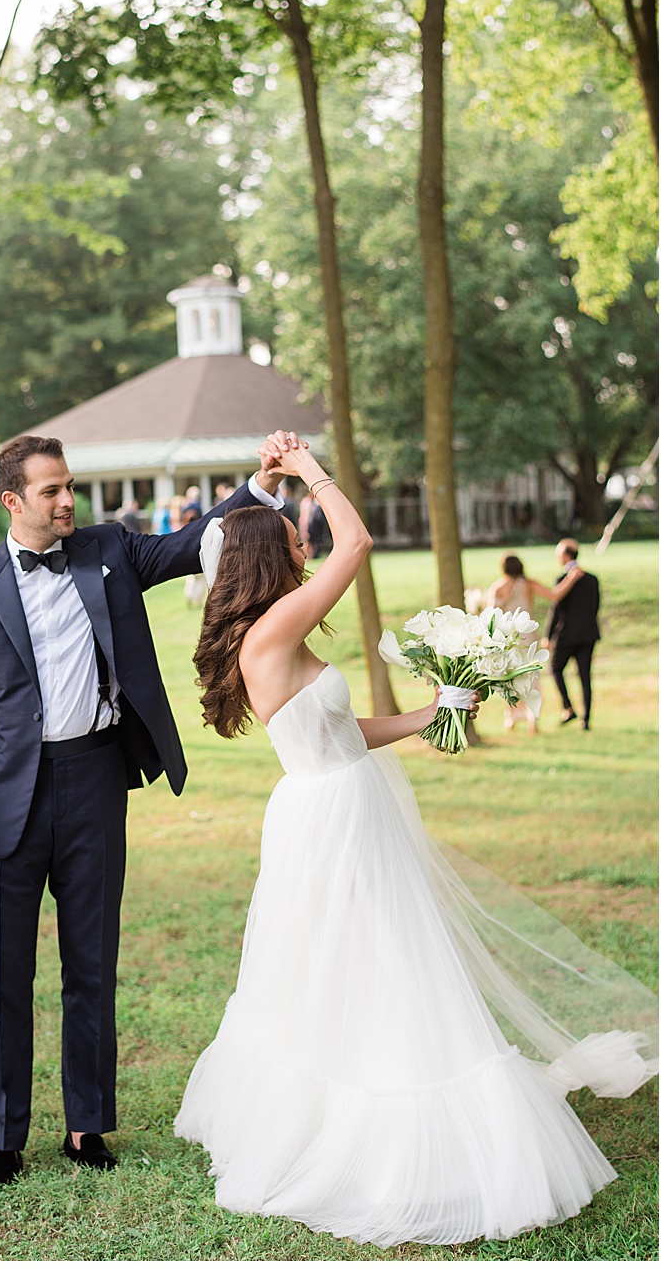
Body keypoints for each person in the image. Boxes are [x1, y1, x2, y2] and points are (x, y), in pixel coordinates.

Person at [176, 440, 656, 1246]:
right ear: (268, 556)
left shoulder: (274, 635)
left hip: (331, 800)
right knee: (380, 956)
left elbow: (340, 730)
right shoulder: (270, 627)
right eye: (296, 536)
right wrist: (313, 472)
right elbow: (357, 544)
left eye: (306, 530)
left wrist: (432, 717)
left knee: (363, 959)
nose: (309, 542)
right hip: (333, 817)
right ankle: (385, 1126)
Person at [0, 431, 296, 1187]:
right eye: (51, 491)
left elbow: (193, 540)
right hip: (4, 800)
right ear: (12, 501)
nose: (68, 501)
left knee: (91, 965)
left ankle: (87, 1127)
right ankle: (4, 1137)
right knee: (4, 974)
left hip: (94, 780)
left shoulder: (110, 551)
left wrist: (257, 488)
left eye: (70, 487)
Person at [487, 554, 553, 732]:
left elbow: (492, 617)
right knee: (531, 674)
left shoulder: (497, 587)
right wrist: (571, 578)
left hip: (509, 637)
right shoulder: (529, 584)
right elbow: (553, 595)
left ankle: (512, 716)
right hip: (528, 635)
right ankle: (533, 716)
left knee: (509, 676)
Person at [545, 539, 600, 730]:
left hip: (567, 635)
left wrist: (548, 635)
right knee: (585, 676)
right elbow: (595, 607)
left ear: (565, 556)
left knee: (555, 668)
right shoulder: (592, 579)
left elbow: (556, 610)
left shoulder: (562, 580)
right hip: (588, 633)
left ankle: (568, 707)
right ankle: (586, 719)